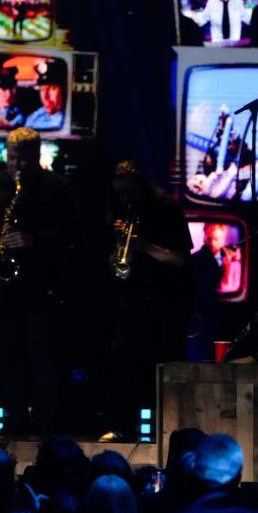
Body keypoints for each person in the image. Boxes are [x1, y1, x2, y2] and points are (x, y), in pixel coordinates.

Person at [0, 128, 74, 434]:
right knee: (8, 358)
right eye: (12, 158)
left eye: (24, 159)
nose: (17, 166)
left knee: (42, 360)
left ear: (37, 156)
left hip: (42, 288)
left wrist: (34, 239)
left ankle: (46, 424)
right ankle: (14, 421)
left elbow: (75, 236)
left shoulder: (57, 188)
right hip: (5, 290)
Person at [103, 161, 192, 437]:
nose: (125, 199)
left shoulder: (166, 208)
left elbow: (179, 259)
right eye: (119, 193)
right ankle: (120, 428)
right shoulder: (124, 210)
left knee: (162, 369)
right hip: (133, 301)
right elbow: (116, 263)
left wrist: (144, 246)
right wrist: (120, 247)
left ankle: (165, 431)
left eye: (129, 192)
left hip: (165, 304)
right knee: (121, 365)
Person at [181, 0, 258, 45]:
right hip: (217, 45)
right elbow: (201, 20)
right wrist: (191, 15)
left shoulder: (239, 3)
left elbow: (249, 21)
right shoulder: (211, 3)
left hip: (235, 44)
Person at [25, 64, 65, 131]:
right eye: (42, 89)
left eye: (52, 89)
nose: (45, 97)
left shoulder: (65, 121)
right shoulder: (35, 115)